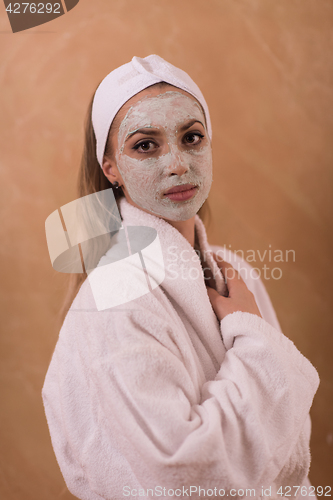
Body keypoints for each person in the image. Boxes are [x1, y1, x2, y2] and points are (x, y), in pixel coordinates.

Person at [42, 55, 319, 500]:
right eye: (146, 145)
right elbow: (184, 477)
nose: (177, 164)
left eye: (192, 137)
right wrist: (255, 340)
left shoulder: (236, 272)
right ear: (110, 168)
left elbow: (286, 439)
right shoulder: (115, 298)